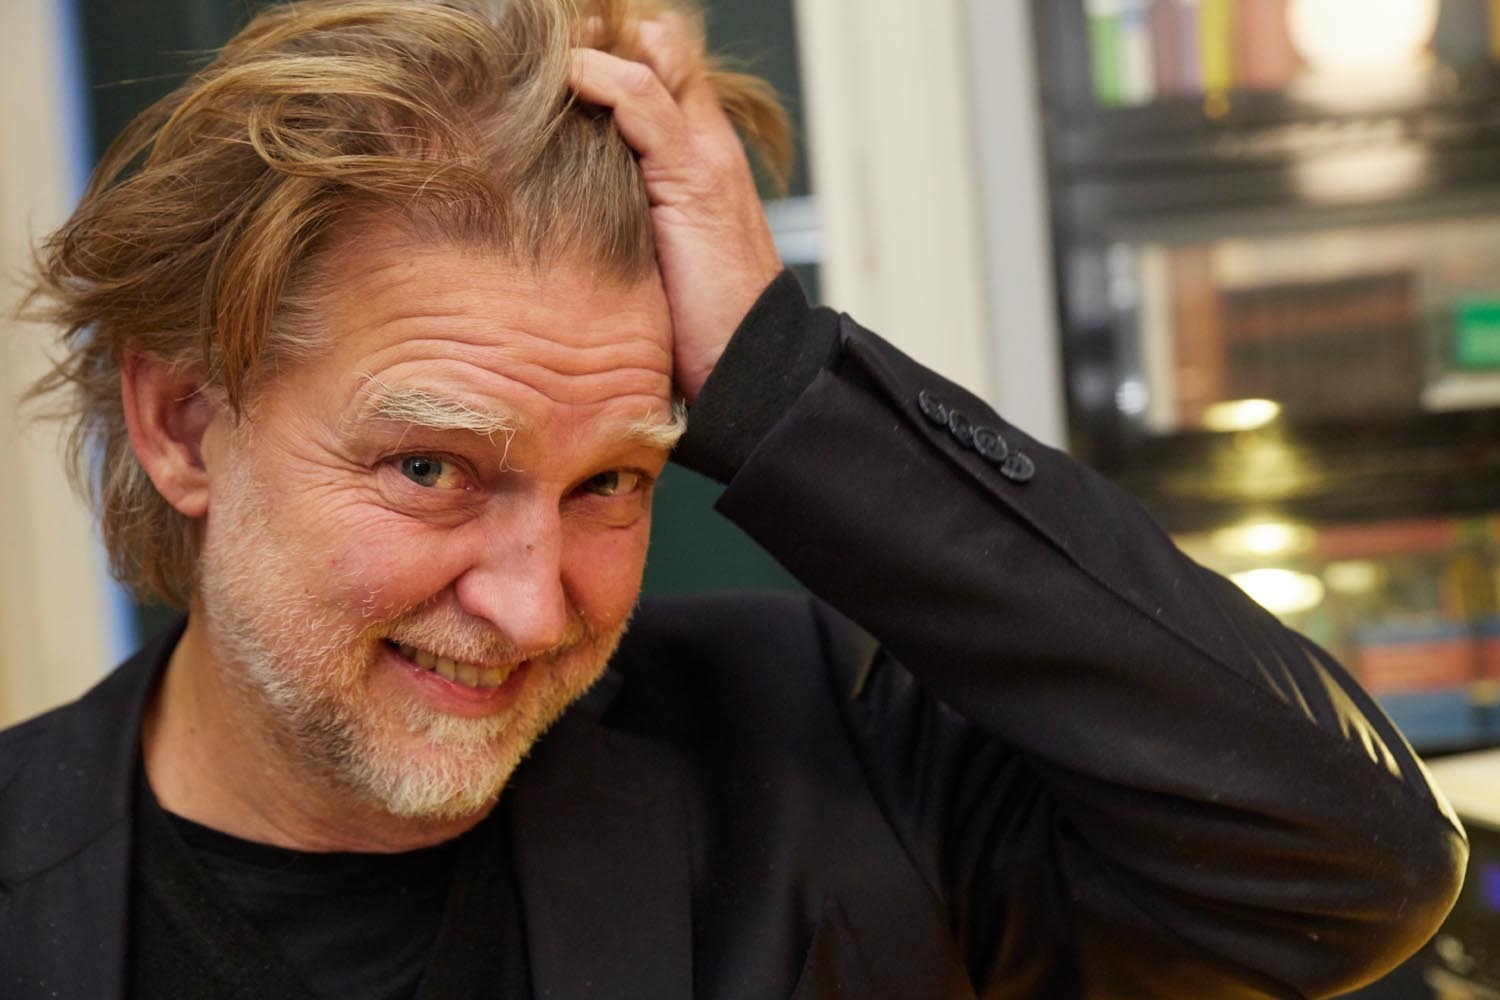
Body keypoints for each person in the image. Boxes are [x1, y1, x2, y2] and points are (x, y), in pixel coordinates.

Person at [0, 0, 1467, 996]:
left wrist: (780, 376)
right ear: (184, 425)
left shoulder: (825, 752)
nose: (531, 606)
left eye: (612, 481)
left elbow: (1347, 866)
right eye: (432, 469)